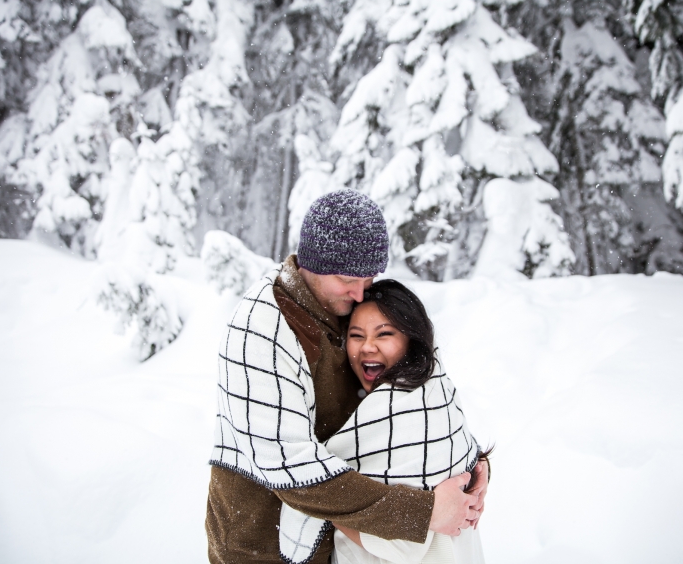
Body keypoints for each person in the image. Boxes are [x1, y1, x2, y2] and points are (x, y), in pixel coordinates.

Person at [206, 189, 489, 564]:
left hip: (342, 541)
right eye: (346, 279)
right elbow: (288, 465)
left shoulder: (349, 306)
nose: (359, 293)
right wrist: (423, 512)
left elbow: (416, 395)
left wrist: (466, 466)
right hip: (263, 543)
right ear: (310, 263)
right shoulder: (261, 328)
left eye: (369, 278)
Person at [297, 279, 488, 564]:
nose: (367, 347)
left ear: (411, 339)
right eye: (356, 335)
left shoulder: (405, 409)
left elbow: (401, 545)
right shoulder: (432, 385)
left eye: (383, 334)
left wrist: (327, 504)